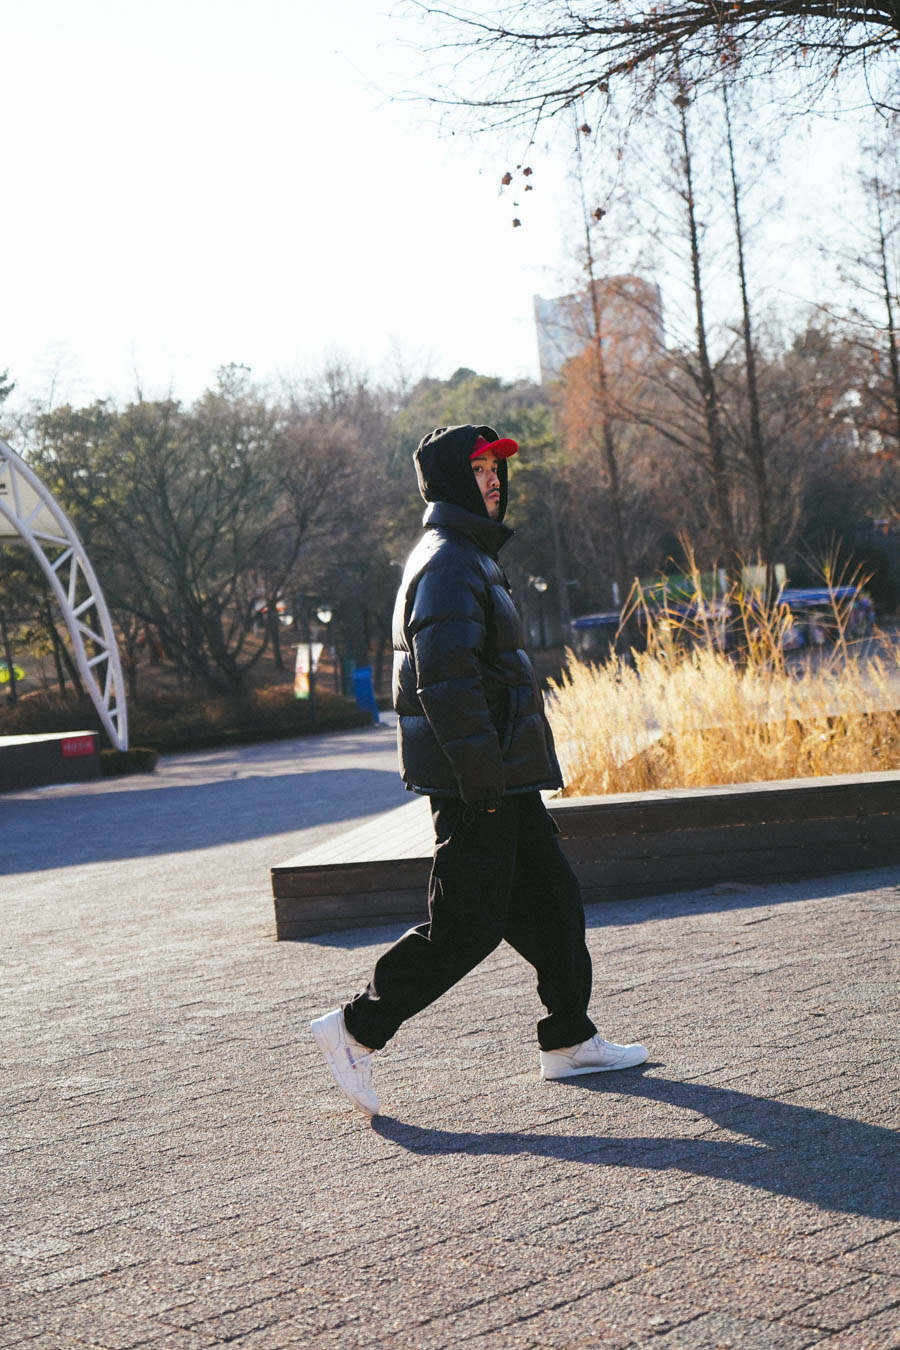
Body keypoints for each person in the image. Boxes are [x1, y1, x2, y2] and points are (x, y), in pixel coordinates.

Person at [311, 423, 648, 1115]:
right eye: (479, 470)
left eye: (497, 469)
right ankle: (355, 1028)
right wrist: (483, 776)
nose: (493, 480)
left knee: (554, 902)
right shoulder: (447, 562)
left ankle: (569, 1039)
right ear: (448, 482)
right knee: (466, 924)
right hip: (480, 779)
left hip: (502, 773)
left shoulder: (468, 555)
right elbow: (445, 680)